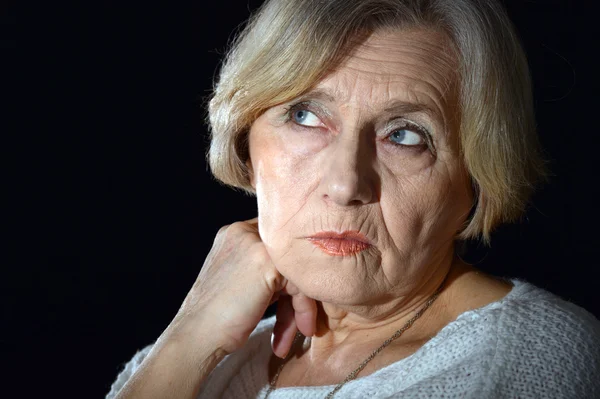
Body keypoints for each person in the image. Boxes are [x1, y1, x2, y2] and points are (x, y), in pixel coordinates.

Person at [106, 0, 600, 398]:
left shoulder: (535, 358)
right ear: (246, 141)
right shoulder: (190, 356)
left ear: (477, 179)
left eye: (405, 136)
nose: (345, 186)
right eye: (304, 116)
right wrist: (190, 338)